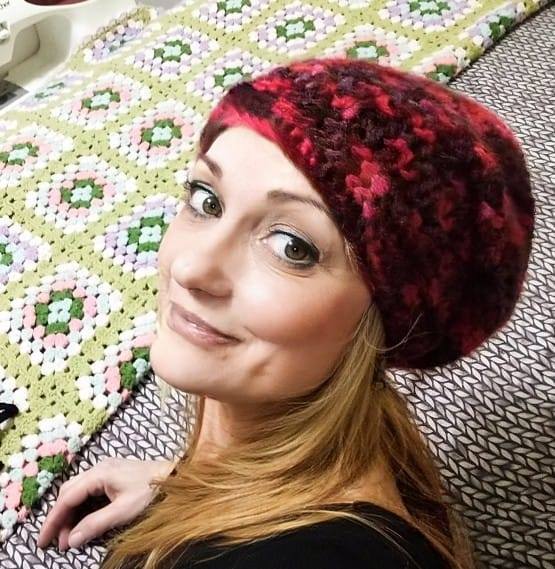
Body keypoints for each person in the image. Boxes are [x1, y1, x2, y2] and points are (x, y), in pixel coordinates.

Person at [36, 57, 535, 569]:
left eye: (292, 246)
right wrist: (187, 486)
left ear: (386, 318)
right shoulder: (341, 448)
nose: (190, 268)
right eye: (207, 201)